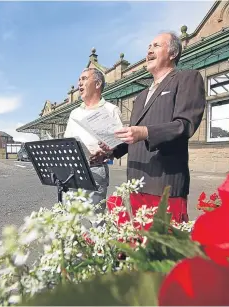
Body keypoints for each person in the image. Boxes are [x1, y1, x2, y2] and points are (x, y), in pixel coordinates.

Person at [94, 32, 206, 222]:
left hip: (164, 184)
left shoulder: (187, 78)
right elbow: (135, 137)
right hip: (135, 184)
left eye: (156, 46)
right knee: (137, 247)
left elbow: (184, 125)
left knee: (162, 249)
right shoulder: (141, 96)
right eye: (148, 47)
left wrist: (145, 131)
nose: (149, 50)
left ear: (173, 53)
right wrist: (111, 152)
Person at [64, 67, 122, 227]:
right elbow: (67, 140)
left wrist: (107, 150)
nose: (79, 83)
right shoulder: (74, 113)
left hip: (95, 169)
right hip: (72, 172)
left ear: (97, 83)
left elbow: (118, 143)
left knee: (95, 221)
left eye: (84, 79)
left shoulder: (111, 110)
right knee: (70, 222)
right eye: (79, 80)